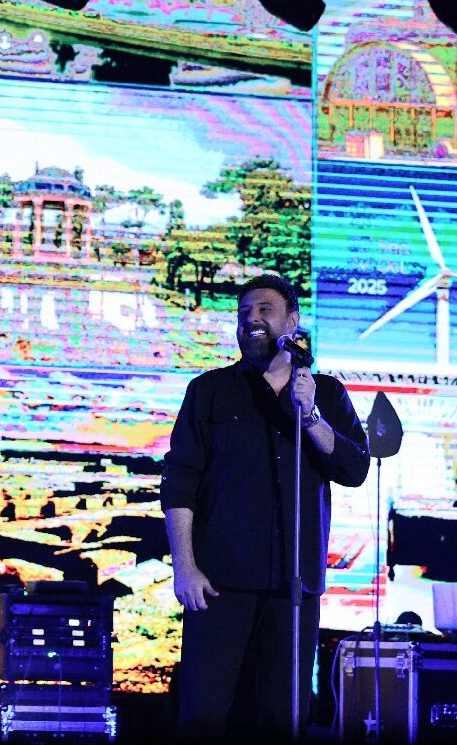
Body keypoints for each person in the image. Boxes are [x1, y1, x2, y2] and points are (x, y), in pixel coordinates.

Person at [161, 274, 370, 740]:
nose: (251, 319)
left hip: (294, 585)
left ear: (291, 323)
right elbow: (180, 482)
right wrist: (185, 567)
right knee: (204, 715)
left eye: (264, 310)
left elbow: (355, 468)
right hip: (218, 583)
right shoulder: (209, 390)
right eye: (244, 313)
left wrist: (310, 417)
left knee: (284, 716)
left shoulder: (326, 393)